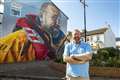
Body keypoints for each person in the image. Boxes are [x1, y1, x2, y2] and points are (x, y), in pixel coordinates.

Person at [0, 2, 65, 63]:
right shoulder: (20, 37)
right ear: (42, 16)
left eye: (58, 19)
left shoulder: (47, 36)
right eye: (54, 17)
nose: (57, 23)